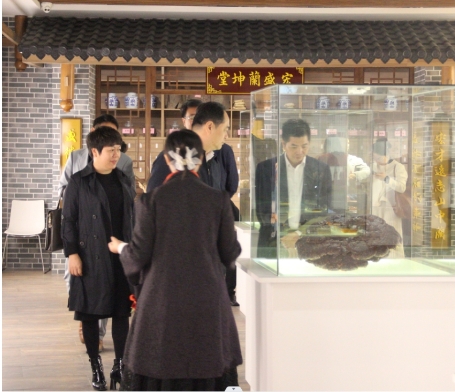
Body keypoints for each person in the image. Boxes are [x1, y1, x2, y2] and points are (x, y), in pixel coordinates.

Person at [108, 130, 242, 391]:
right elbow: (229, 253)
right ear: (200, 159)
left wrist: (120, 248)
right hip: (207, 301)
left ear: (167, 160)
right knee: (208, 362)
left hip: (162, 302)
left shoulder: (151, 201)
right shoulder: (218, 200)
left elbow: (138, 256)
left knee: (160, 362)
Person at [61, 127, 134, 391]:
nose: (116, 155)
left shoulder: (123, 179)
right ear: (94, 151)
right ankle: (96, 366)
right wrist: (72, 254)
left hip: (119, 255)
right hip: (89, 257)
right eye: (111, 151)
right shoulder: (79, 181)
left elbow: (132, 218)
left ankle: (119, 365)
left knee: (121, 313)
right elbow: (68, 220)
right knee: (90, 314)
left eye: (118, 150)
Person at [147, 100, 240, 306]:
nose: (227, 135)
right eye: (225, 129)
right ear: (210, 127)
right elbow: (153, 205)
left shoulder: (213, 157)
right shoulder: (174, 157)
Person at [255, 118, 332, 258]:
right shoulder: (266, 168)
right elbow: (262, 209)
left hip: (309, 241)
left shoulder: (321, 169)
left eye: (304, 146)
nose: (299, 151)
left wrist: (299, 233)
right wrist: (281, 232)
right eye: (294, 146)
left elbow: (325, 208)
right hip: (274, 240)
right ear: (283, 144)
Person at [370, 139, 408, 258]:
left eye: (379, 158)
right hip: (374, 206)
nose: (377, 161)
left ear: (387, 154)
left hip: (391, 208)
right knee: (375, 235)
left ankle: (394, 261)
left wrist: (387, 178)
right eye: (375, 157)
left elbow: (401, 187)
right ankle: (376, 259)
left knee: (392, 236)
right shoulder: (373, 166)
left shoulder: (398, 167)